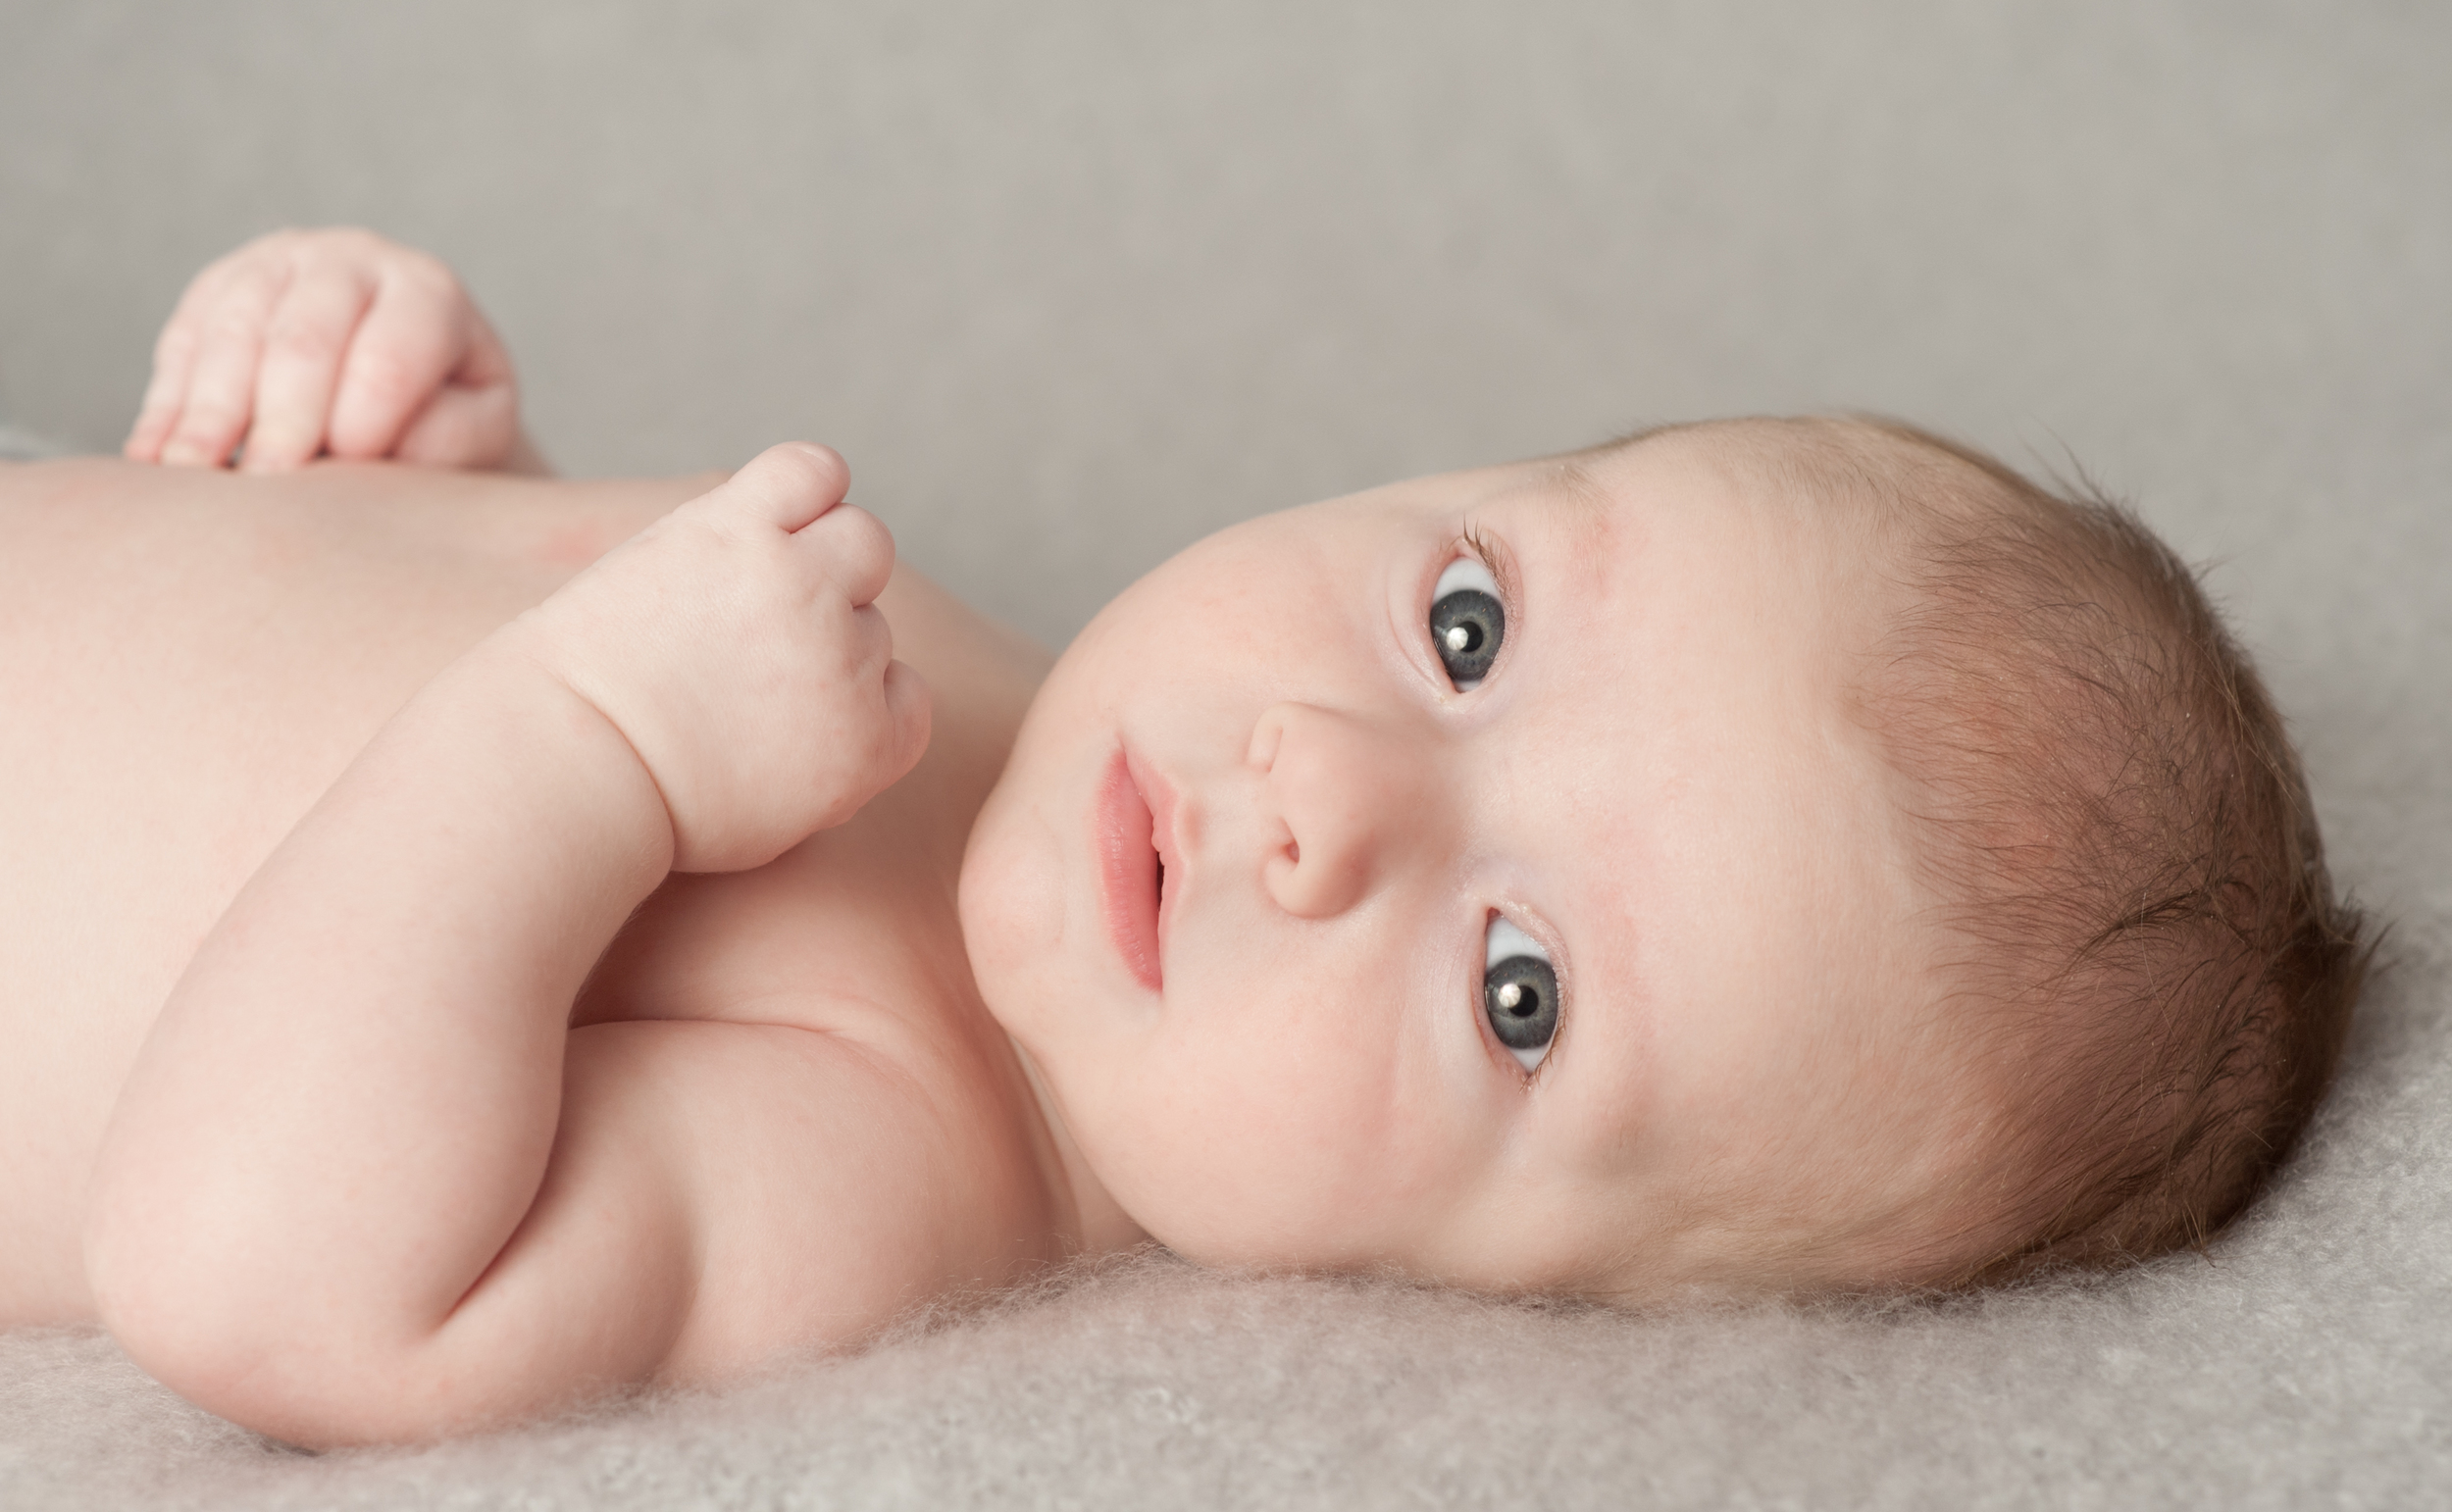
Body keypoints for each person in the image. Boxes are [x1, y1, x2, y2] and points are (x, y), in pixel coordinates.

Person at [0, 229, 2364, 1449]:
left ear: (1509, 1303)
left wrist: (591, 728)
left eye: (1510, 990)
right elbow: (383, 722)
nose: (1330, 793)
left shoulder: (877, 1144)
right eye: (1465, 625)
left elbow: (253, 1262)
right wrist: (419, 462)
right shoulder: (947, 667)